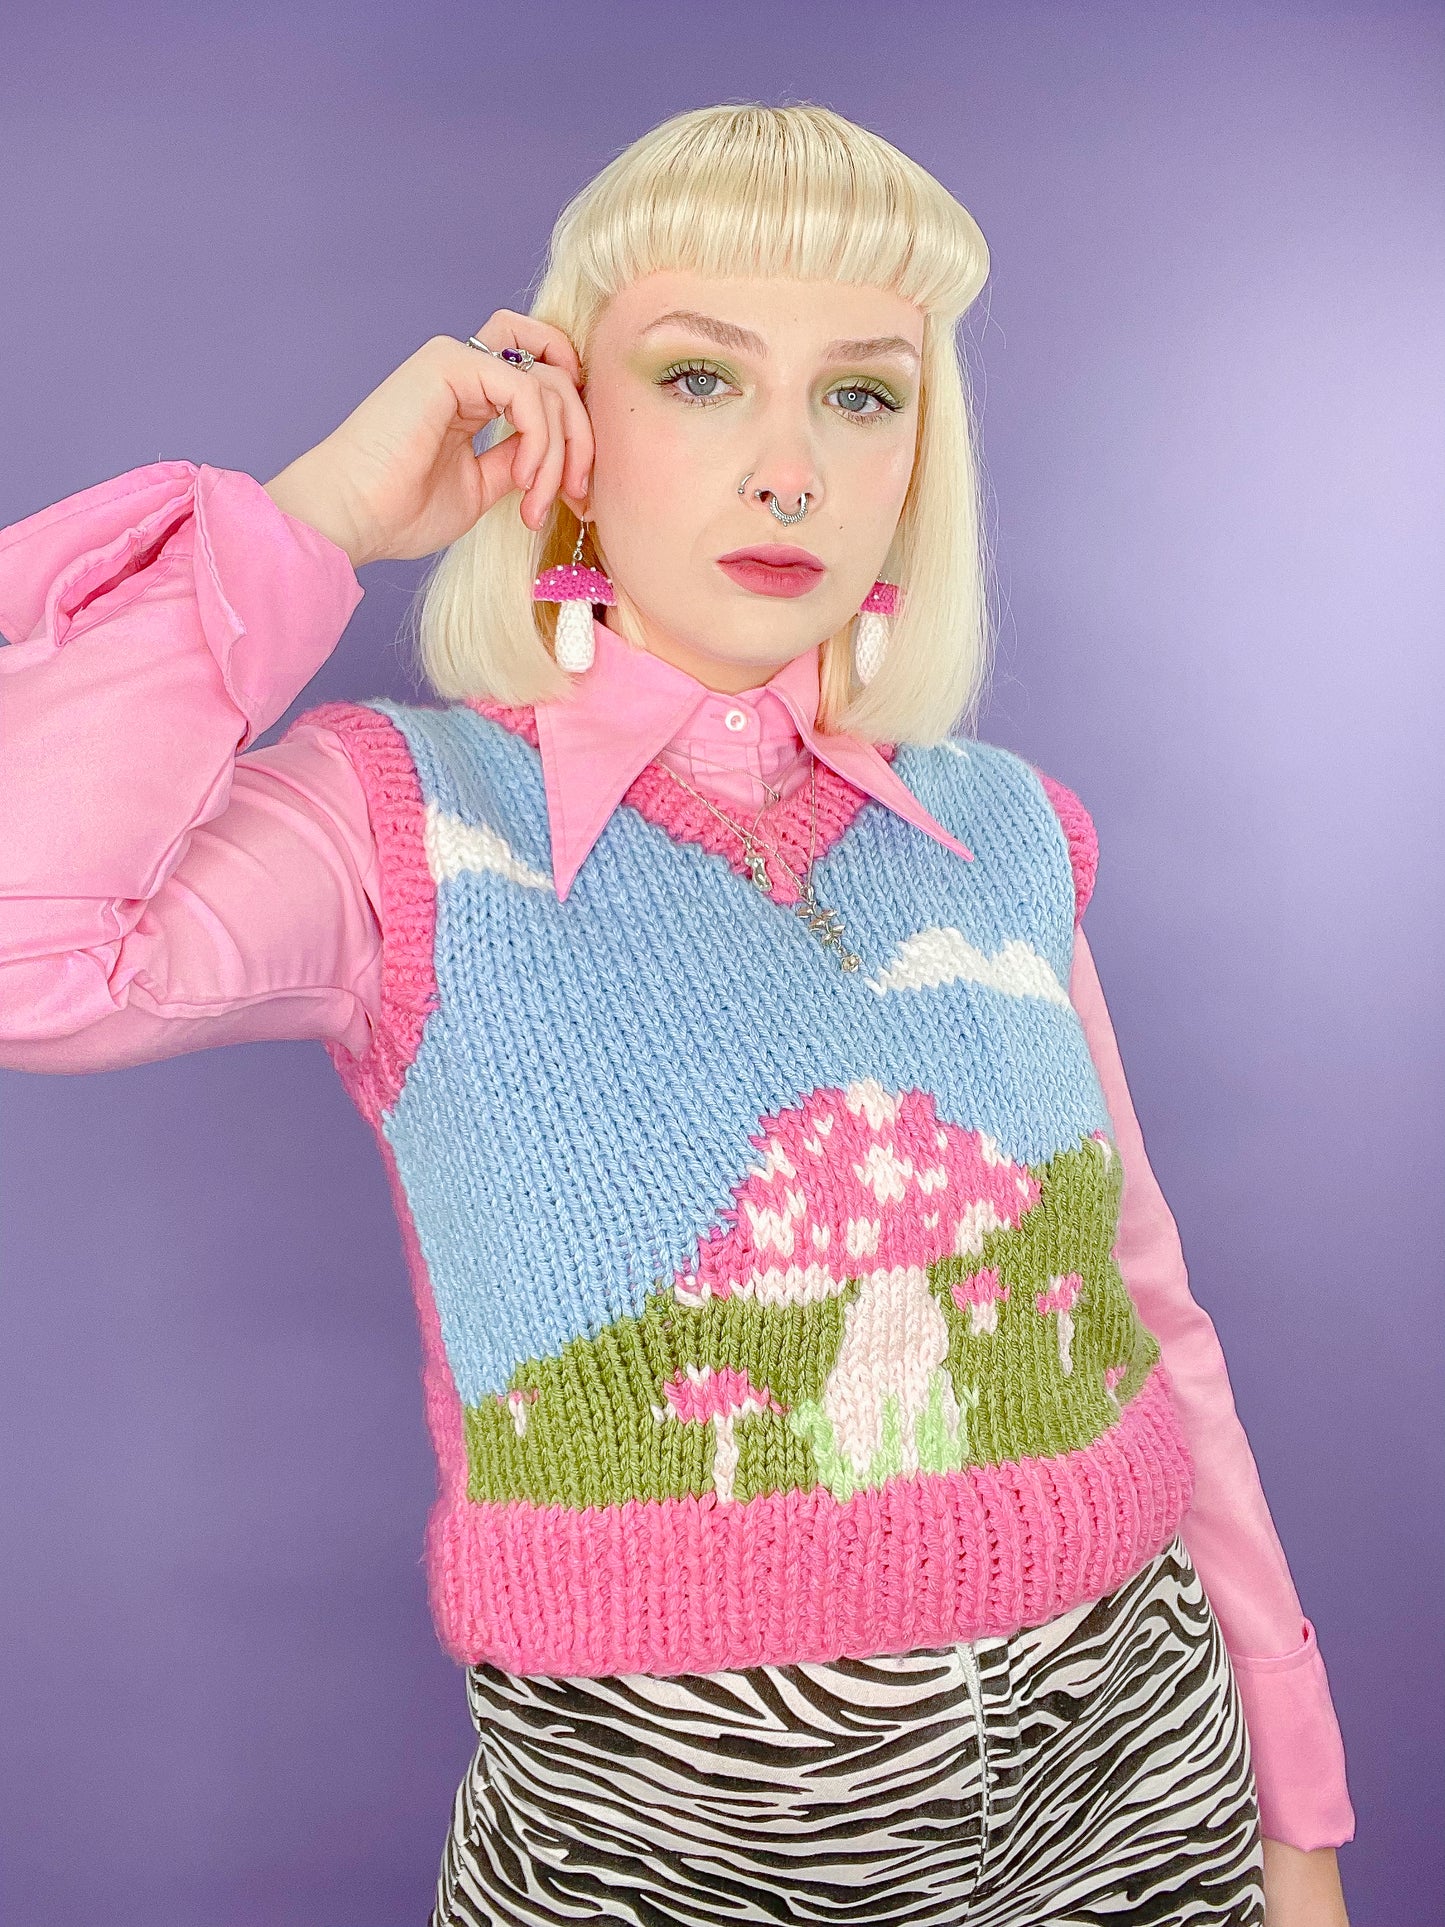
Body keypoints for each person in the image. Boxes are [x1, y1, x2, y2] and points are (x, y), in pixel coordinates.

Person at [0, 102, 1353, 1926]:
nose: (786, 467)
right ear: (563, 424)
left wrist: (1294, 1814)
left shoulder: (1010, 830)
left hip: (1137, 1781)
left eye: (859, 395)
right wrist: (315, 513)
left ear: (913, 457)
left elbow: (1151, 1310)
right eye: (701, 380)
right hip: (663, 1834)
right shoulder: (396, 822)